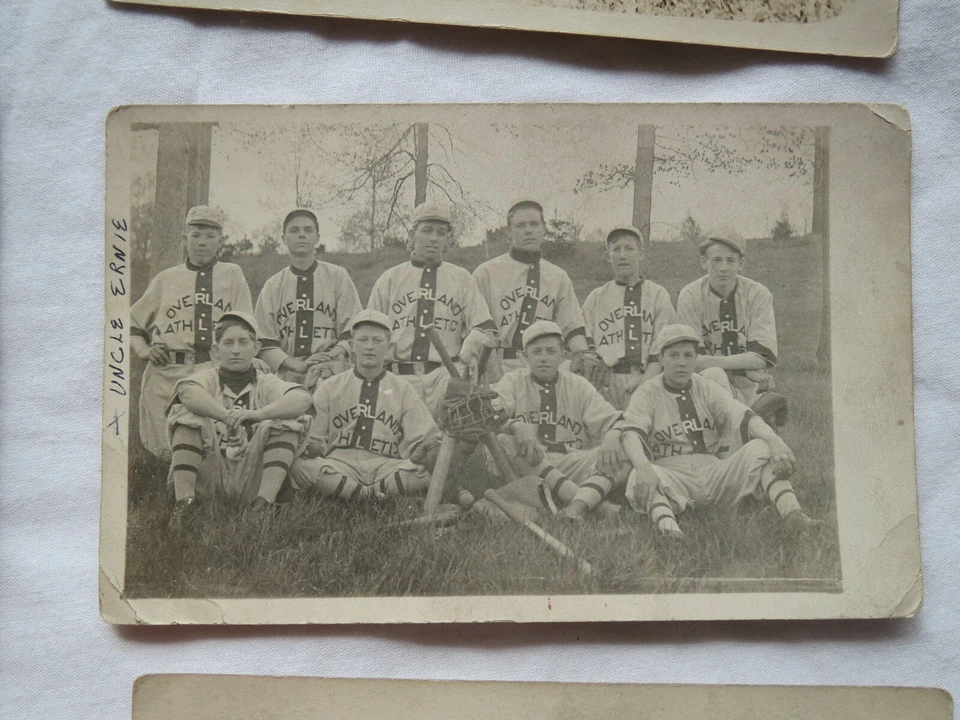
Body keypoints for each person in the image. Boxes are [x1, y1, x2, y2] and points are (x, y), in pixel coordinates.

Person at [620, 324, 820, 540]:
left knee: (762, 447)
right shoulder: (648, 392)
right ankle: (670, 533)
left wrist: (774, 440)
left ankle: (793, 516)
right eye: (673, 355)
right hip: (674, 475)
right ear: (661, 359)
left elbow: (740, 414)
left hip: (713, 471)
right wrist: (643, 468)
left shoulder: (704, 386)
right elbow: (631, 433)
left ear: (695, 358)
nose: (681, 363)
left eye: (688, 355)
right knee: (637, 475)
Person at [164, 311, 314, 530]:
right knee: (187, 414)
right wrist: (228, 417)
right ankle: (184, 504)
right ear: (216, 351)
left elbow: (302, 398)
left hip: (254, 476)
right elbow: (187, 393)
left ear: (256, 348)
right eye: (228, 343)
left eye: (244, 342)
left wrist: (257, 416)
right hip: (210, 474)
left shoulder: (266, 382)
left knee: (288, 420)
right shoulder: (206, 377)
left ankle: (263, 505)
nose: (236, 350)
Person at [131, 205, 253, 457]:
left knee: (213, 450)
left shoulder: (232, 275)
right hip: (168, 372)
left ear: (220, 239)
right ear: (184, 239)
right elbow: (131, 323)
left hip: (214, 370)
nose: (202, 243)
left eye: (210, 236)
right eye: (195, 235)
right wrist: (144, 350)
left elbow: (246, 326)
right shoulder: (167, 279)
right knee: (163, 452)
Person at [288, 310, 443, 502]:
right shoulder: (331, 386)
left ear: (389, 347)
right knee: (299, 465)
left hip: (386, 466)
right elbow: (314, 439)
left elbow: (426, 437)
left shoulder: (402, 388)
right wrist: (312, 446)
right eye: (363, 340)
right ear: (352, 346)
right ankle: (374, 497)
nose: (370, 347)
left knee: (425, 470)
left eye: (377, 341)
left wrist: (424, 451)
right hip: (340, 464)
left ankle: (352, 494)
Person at [484, 320, 630, 521]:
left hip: (573, 463)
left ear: (563, 356)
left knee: (627, 444)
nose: (544, 358)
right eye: (536, 352)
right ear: (525, 357)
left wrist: (613, 435)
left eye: (551, 352)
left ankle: (574, 504)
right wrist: (515, 425)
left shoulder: (578, 385)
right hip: (528, 465)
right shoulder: (513, 381)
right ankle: (591, 503)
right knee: (504, 440)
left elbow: (614, 421)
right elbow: (488, 412)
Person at [367, 201, 497, 416]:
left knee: (445, 442)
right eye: (426, 231)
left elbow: (484, 327)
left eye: (441, 233)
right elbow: (370, 331)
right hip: (399, 376)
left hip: (444, 378)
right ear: (412, 234)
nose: (434, 238)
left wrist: (466, 358)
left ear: (447, 240)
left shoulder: (461, 278)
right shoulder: (390, 278)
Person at [473, 198, 603, 383]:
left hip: (544, 366)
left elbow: (572, 327)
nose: (528, 230)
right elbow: (475, 328)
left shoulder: (557, 276)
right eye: (520, 225)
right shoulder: (486, 273)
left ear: (543, 229)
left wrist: (583, 354)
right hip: (499, 365)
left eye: (534, 224)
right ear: (509, 232)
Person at [676, 229, 785, 428]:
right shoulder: (690, 295)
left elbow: (762, 357)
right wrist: (748, 370)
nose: (723, 268)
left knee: (760, 451)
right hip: (706, 387)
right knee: (715, 375)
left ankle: (747, 425)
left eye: (731, 260)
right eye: (717, 260)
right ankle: (743, 426)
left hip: (750, 389)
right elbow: (691, 360)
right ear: (704, 262)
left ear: (741, 264)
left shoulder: (757, 294)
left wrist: (717, 363)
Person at [254, 208, 362, 384]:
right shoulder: (273, 285)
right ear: (283, 239)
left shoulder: (337, 276)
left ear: (317, 238)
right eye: (294, 230)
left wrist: (331, 357)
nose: (301, 235)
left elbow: (353, 330)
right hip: (287, 375)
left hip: (332, 371)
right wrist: (297, 365)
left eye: (308, 230)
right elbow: (264, 342)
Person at [581, 225, 678, 410]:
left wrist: (644, 387)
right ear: (608, 255)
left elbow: (662, 350)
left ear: (641, 254)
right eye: (616, 249)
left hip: (648, 378)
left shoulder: (657, 294)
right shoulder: (596, 297)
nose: (622, 255)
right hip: (606, 383)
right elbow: (585, 345)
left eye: (629, 248)